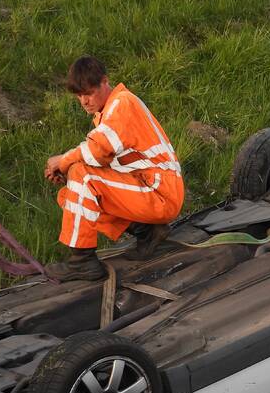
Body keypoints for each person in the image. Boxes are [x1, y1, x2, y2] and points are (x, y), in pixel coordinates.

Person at [44, 56, 184, 281]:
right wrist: (67, 173)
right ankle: (147, 231)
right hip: (149, 187)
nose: (84, 101)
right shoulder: (109, 112)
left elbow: (97, 150)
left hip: (160, 191)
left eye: (89, 93)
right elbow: (102, 161)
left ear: (105, 82)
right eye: (79, 96)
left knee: (81, 175)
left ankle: (82, 261)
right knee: (69, 195)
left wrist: (62, 161)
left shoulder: (122, 103)